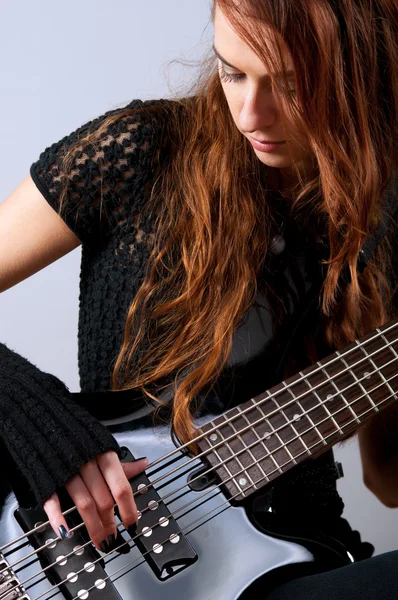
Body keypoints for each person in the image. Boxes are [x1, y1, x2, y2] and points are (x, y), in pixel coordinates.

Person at [0, 0, 397, 597]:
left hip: (284, 562)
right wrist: (37, 421)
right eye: (232, 72)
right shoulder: (142, 151)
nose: (250, 113)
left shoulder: (388, 222)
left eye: (291, 86)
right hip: (103, 551)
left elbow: (387, 479)